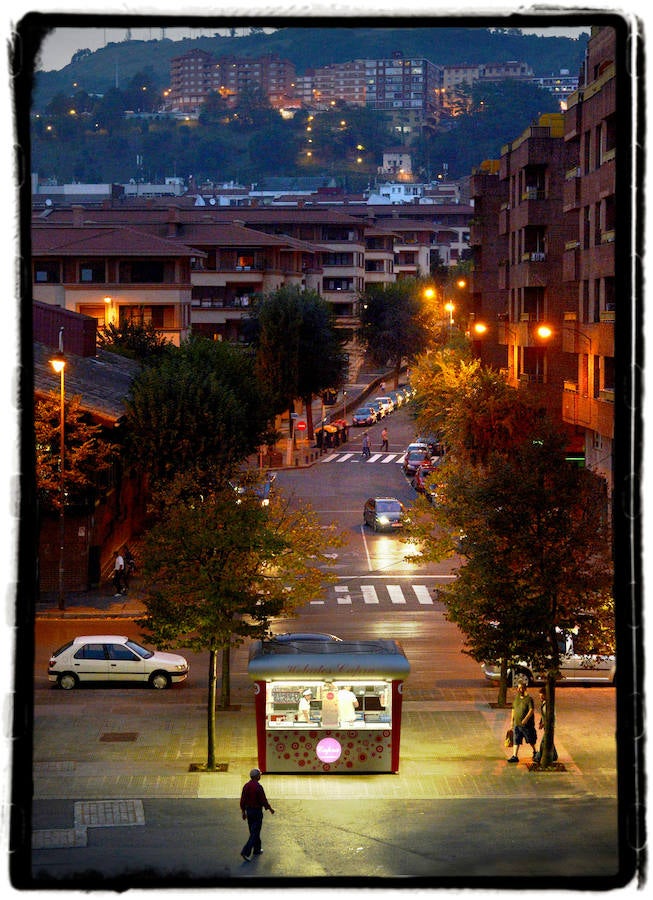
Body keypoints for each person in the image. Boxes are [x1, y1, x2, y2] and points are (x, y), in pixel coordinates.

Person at [240, 768, 275, 860]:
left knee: (253, 831)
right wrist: (270, 809)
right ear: (257, 776)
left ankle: (257, 849)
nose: (260, 776)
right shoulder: (258, 787)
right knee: (255, 832)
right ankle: (245, 852)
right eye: (259, 775)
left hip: (249, 811)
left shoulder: (246, 786)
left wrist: (243, 812)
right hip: (257, 812)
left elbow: (242, 800)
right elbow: (263, 800)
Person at [507, 678, 537, 763]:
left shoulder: (529, 699)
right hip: (517, 723)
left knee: (530, 739)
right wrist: (512, 720)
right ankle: (514, 756)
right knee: (516, 739)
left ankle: (535, 751)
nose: (519, 690)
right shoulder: (517, 698)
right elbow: (513, 709)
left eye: (520, 688)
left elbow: (531, 710)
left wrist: (526, 719)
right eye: (518, 688)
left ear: (524, 688)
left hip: (526, 725)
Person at [534, 687, 558, 763]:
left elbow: (549, 717)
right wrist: (541, 722)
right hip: (547, 726)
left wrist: (543, 724)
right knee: (549, 741)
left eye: (541, 696)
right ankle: (554, 755)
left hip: (549, 727)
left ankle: (538, 757)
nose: (540, 698)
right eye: (540, 696)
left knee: (544, 742)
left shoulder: (548, 705)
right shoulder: (544, 704)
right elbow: (544, 715)